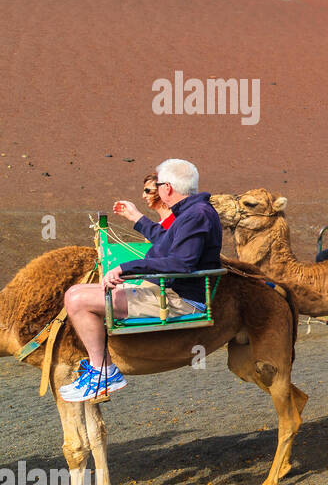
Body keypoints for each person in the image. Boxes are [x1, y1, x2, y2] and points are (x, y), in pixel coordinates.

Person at [58, 159, 222, 402]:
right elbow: (165, 240)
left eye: (158, 186)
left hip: (178, 298)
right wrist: (136, 217)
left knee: (77, 299)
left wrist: (126, 267)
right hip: (166, 288)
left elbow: (181, 263)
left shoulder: (196, 215)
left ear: (167, 188)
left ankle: (104, 372)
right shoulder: (192, 212)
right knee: (78, 290)